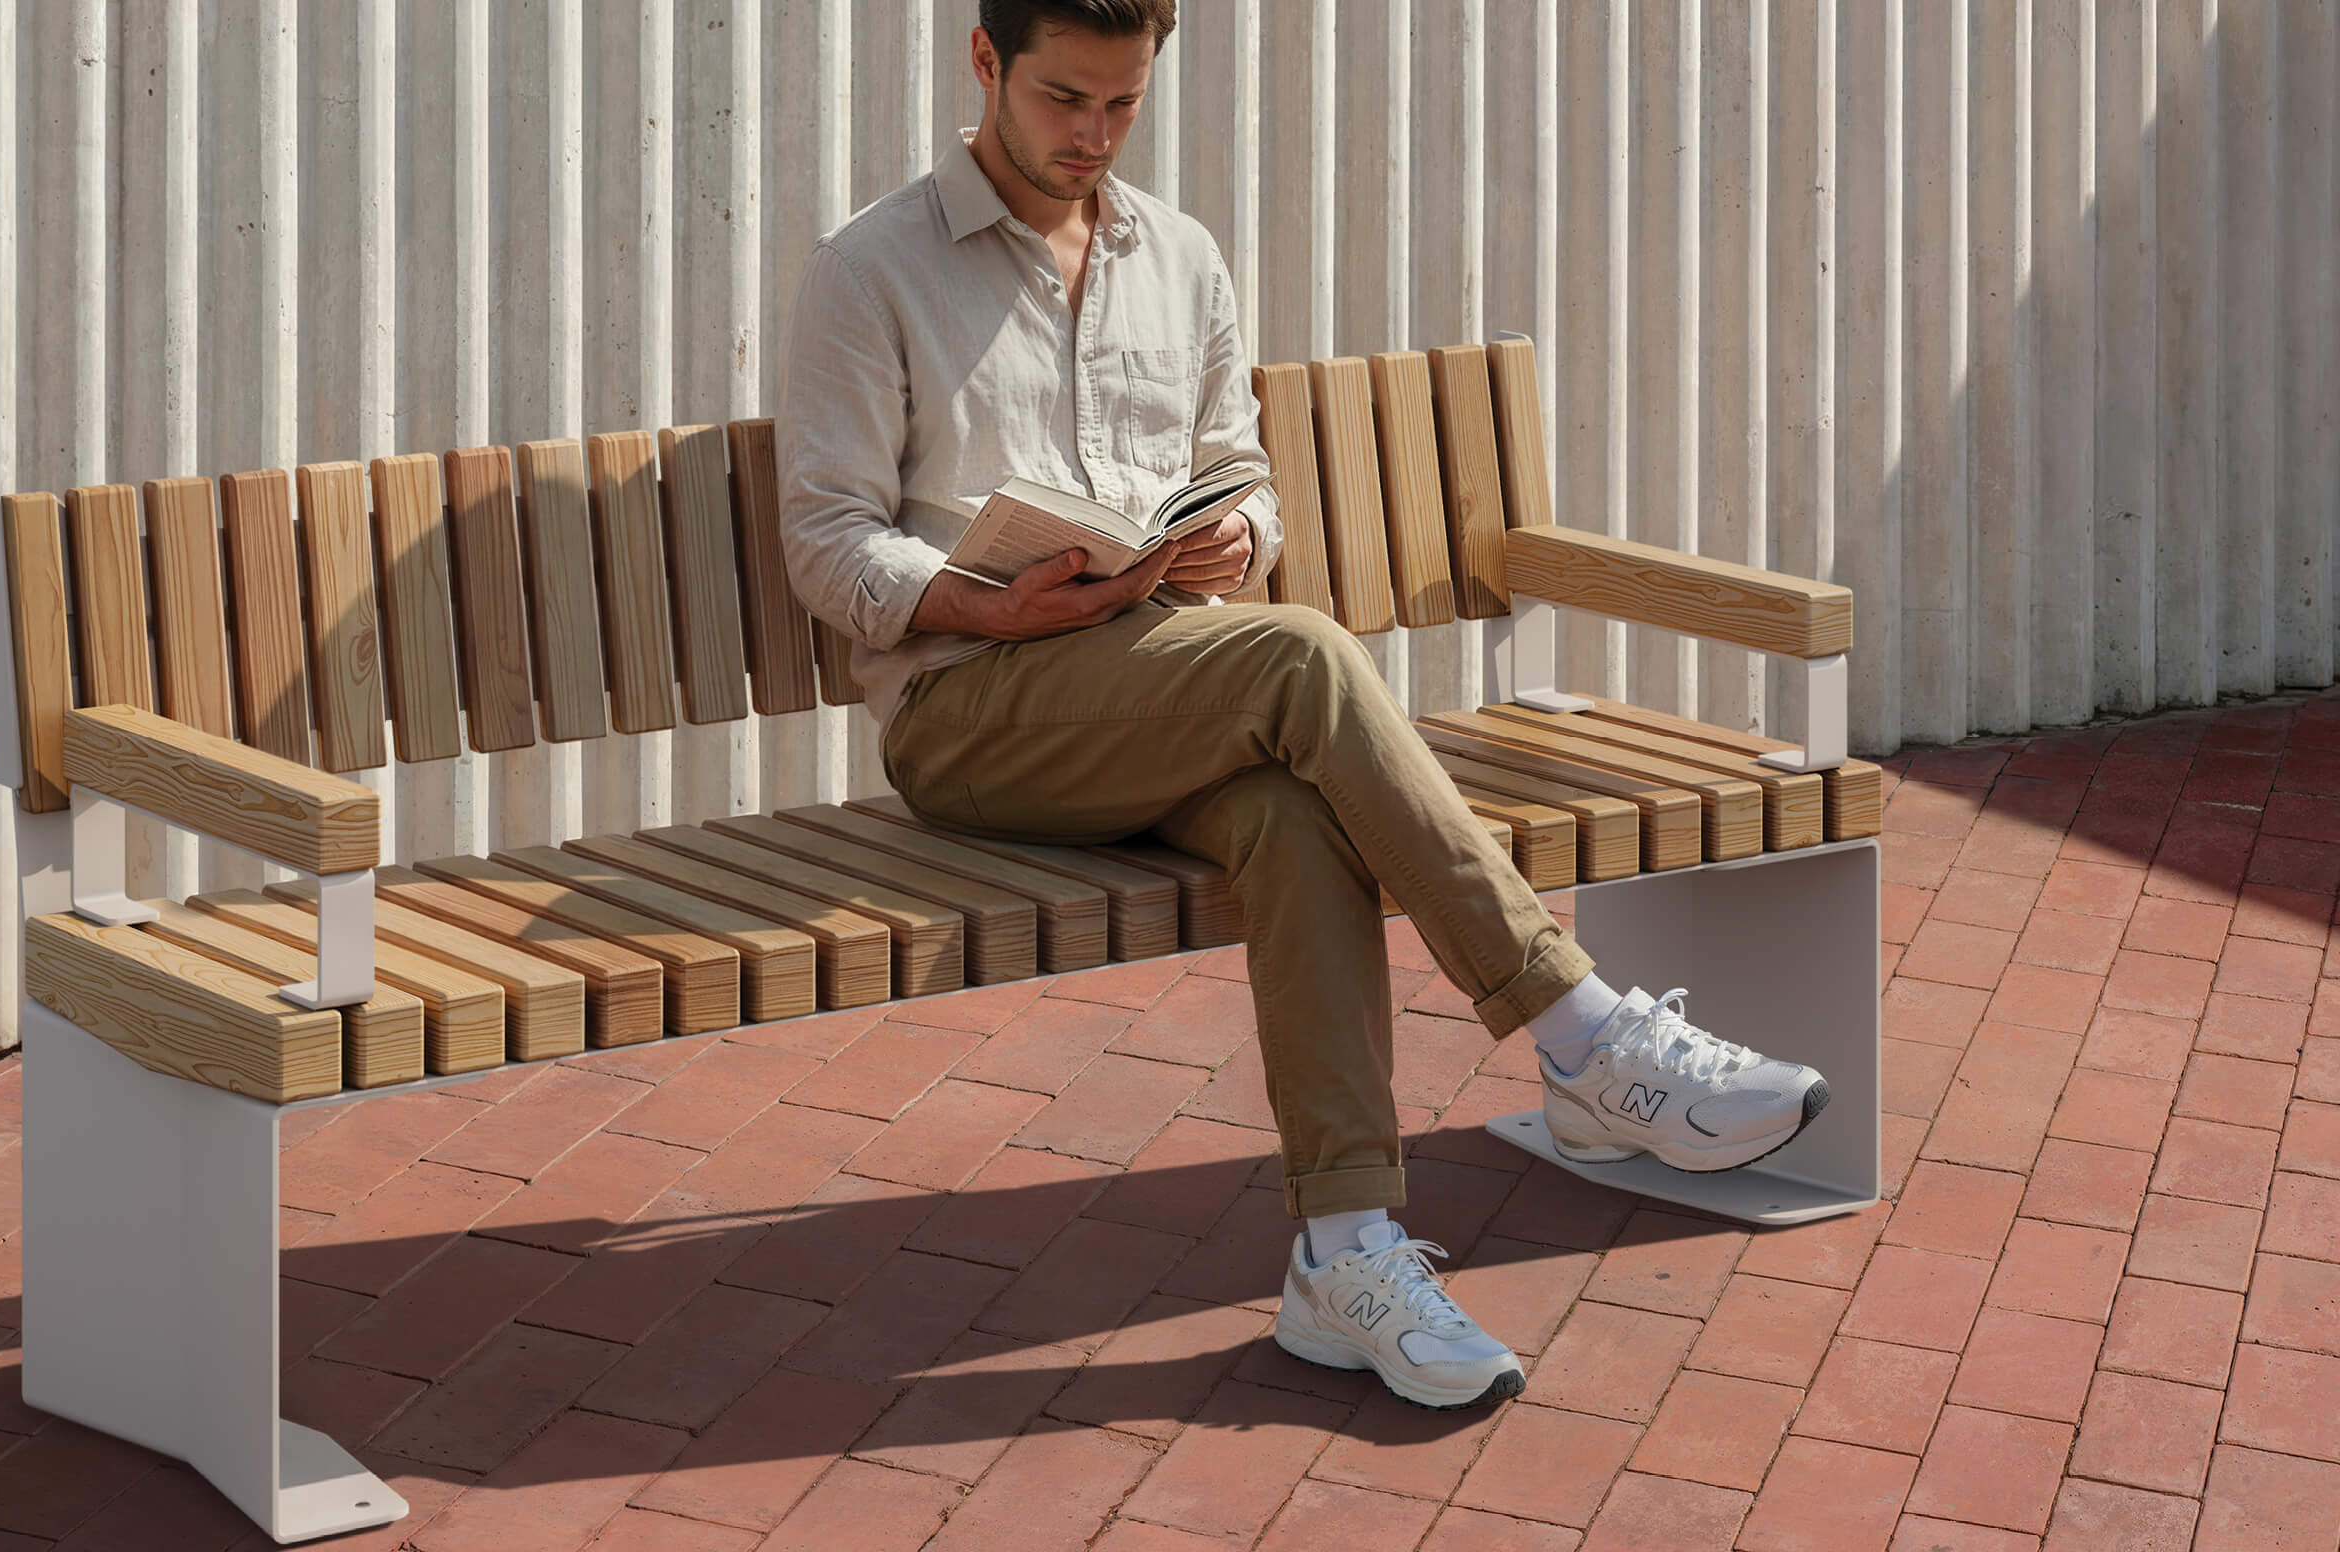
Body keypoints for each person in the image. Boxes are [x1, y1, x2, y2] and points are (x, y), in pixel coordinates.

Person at [773, 0, 1829, 1412]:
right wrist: (989, 602)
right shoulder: (874, 268)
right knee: (1303, 659)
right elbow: (827, 540)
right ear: (984, 63)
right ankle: (1580, 1034)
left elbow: (1240, 473)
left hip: (1160, 682)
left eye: (1123, 105)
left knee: (1293, 817)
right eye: (1062, 99)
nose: (1092, 136)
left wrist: (1234, 541)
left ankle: (1343, 1250)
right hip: (972, 713)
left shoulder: (1181, 259)